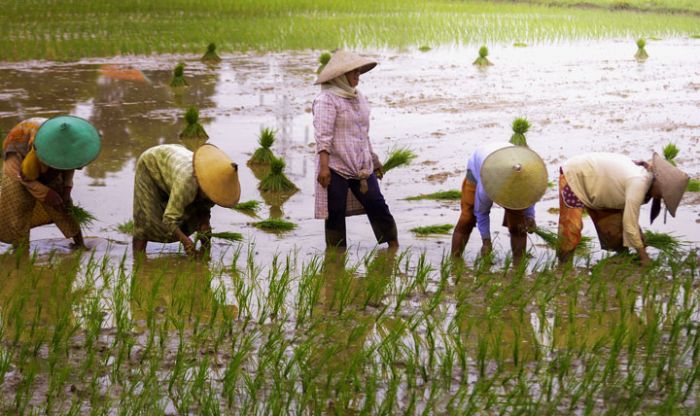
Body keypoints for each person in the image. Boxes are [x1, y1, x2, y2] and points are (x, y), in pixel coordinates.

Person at [313, 50, 398, 251]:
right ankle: (335, 256)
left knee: (377, 204)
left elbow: (363, 134)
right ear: (340, 76)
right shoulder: (327, 100)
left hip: (361, 165)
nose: (357, 77)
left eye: (359, 73)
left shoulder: (358, 97)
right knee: (335, 213)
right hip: (336, 166)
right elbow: (323, 137)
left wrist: (374, 161)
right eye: (353, 73)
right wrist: (324, 168)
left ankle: (393, 246)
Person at [557, 152, 689, 266]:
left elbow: (629, 216)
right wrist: (644, 257)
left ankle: (621, 259)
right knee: (571, 229)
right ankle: (563, 267)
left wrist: (640, 237)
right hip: (575, 176)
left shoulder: (647, 180)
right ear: (659, 184)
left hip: (602, 187)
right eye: (662, 195)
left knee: (614, 230)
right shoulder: (639, 182)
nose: (661, 198)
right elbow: (630, 225)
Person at [0, 116, 101, 249]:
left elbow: (70, 166)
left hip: (46, 155)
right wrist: (47, 193)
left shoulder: (72, 144)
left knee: (65, 207)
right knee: (19, 208)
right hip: (19, 164)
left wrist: (67, 188)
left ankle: (79, 244)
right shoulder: (29, 153)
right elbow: (25, 178)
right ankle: (21, 252)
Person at [132, 143, 240, 257]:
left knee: (200, 218)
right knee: (145, 220)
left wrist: (205, 253)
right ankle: (138, 260)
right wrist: (186, 241)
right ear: (203, 185)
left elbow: (204, 213)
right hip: (151, 164)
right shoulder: (187, 184)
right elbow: (169, 220)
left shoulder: (216, 188)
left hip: (173, 164)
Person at [451, 143, 547, 265]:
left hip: (507, 160)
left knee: (518, 224)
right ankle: (454, 261)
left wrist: (530, 217)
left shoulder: (528, 176)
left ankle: (519, 267)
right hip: (478, 165)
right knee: (467, 217)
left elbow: (528, 197)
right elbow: (481, 213)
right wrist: (486, 241)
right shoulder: (487, 186)